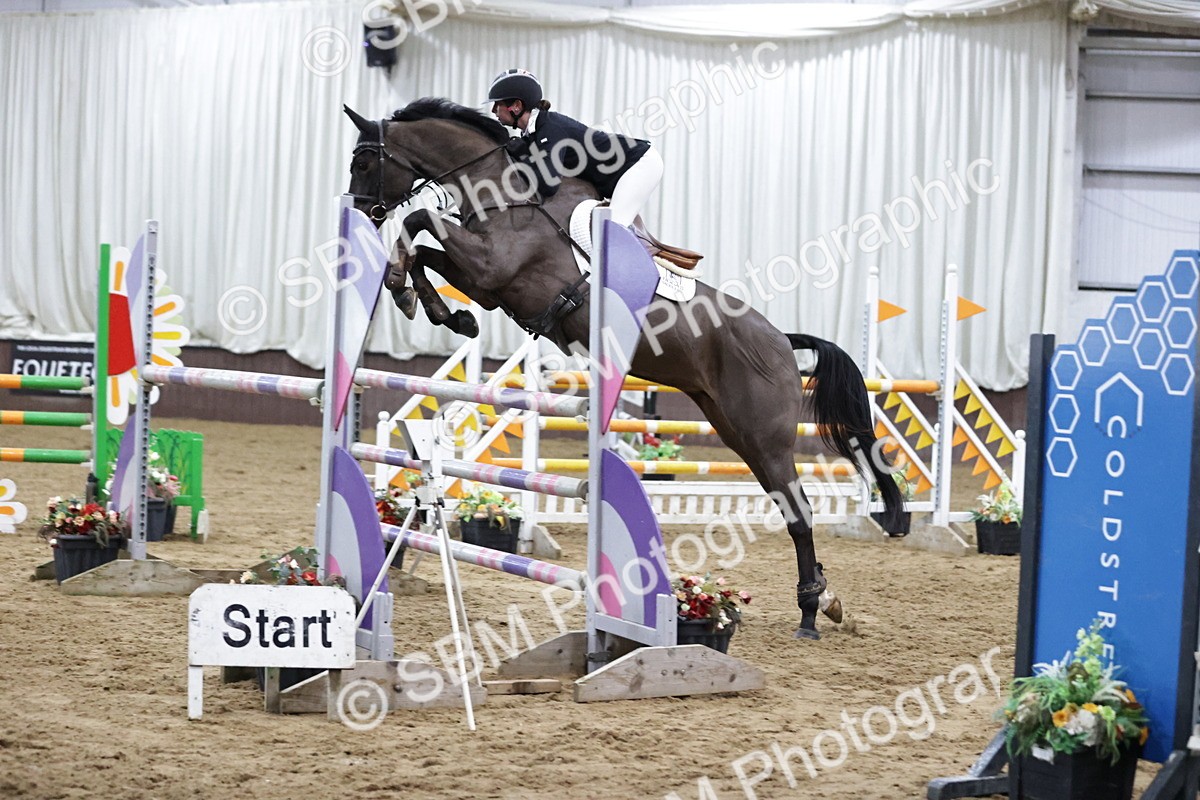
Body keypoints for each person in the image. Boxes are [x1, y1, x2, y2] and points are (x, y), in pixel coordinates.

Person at [486, 68, 664, 228]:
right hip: (623, 168)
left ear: (516, 106)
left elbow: (548, 185)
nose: (493, 110)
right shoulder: (534, 132)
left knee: (612, 229)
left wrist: (524, 156)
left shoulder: (550, 128)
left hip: (641, 163)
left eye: (497, 104)